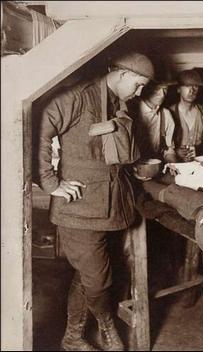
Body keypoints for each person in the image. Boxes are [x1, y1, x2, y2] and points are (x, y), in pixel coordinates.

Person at [34, 51, 154, 351]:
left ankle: (73, 337)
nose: (140, 92)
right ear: (122, 74)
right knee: (98, 279)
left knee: (88, 272)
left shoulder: (119, 101)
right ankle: (106, 326)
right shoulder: (78, 97)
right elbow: (39, 132)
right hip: (78, 208)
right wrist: (50, 182)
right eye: (138, 84)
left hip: (109, 204)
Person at [130, 79, 177, 168]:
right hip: (132, 167)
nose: (162, 94)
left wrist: (173, 165)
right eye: (157, 89)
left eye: (165, 89)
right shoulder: (132, 112)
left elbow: (168, 149)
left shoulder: (166, 114)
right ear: (145, 88)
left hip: (155, 166)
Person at [169, 69, 203, 162]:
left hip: (200, 165)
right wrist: (175, 152)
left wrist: (199, 150)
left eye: (195, 86)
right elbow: (159, 145)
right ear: (178, 89)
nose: (192, 90)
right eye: (187, 86)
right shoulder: (168, 113)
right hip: (177, 166)